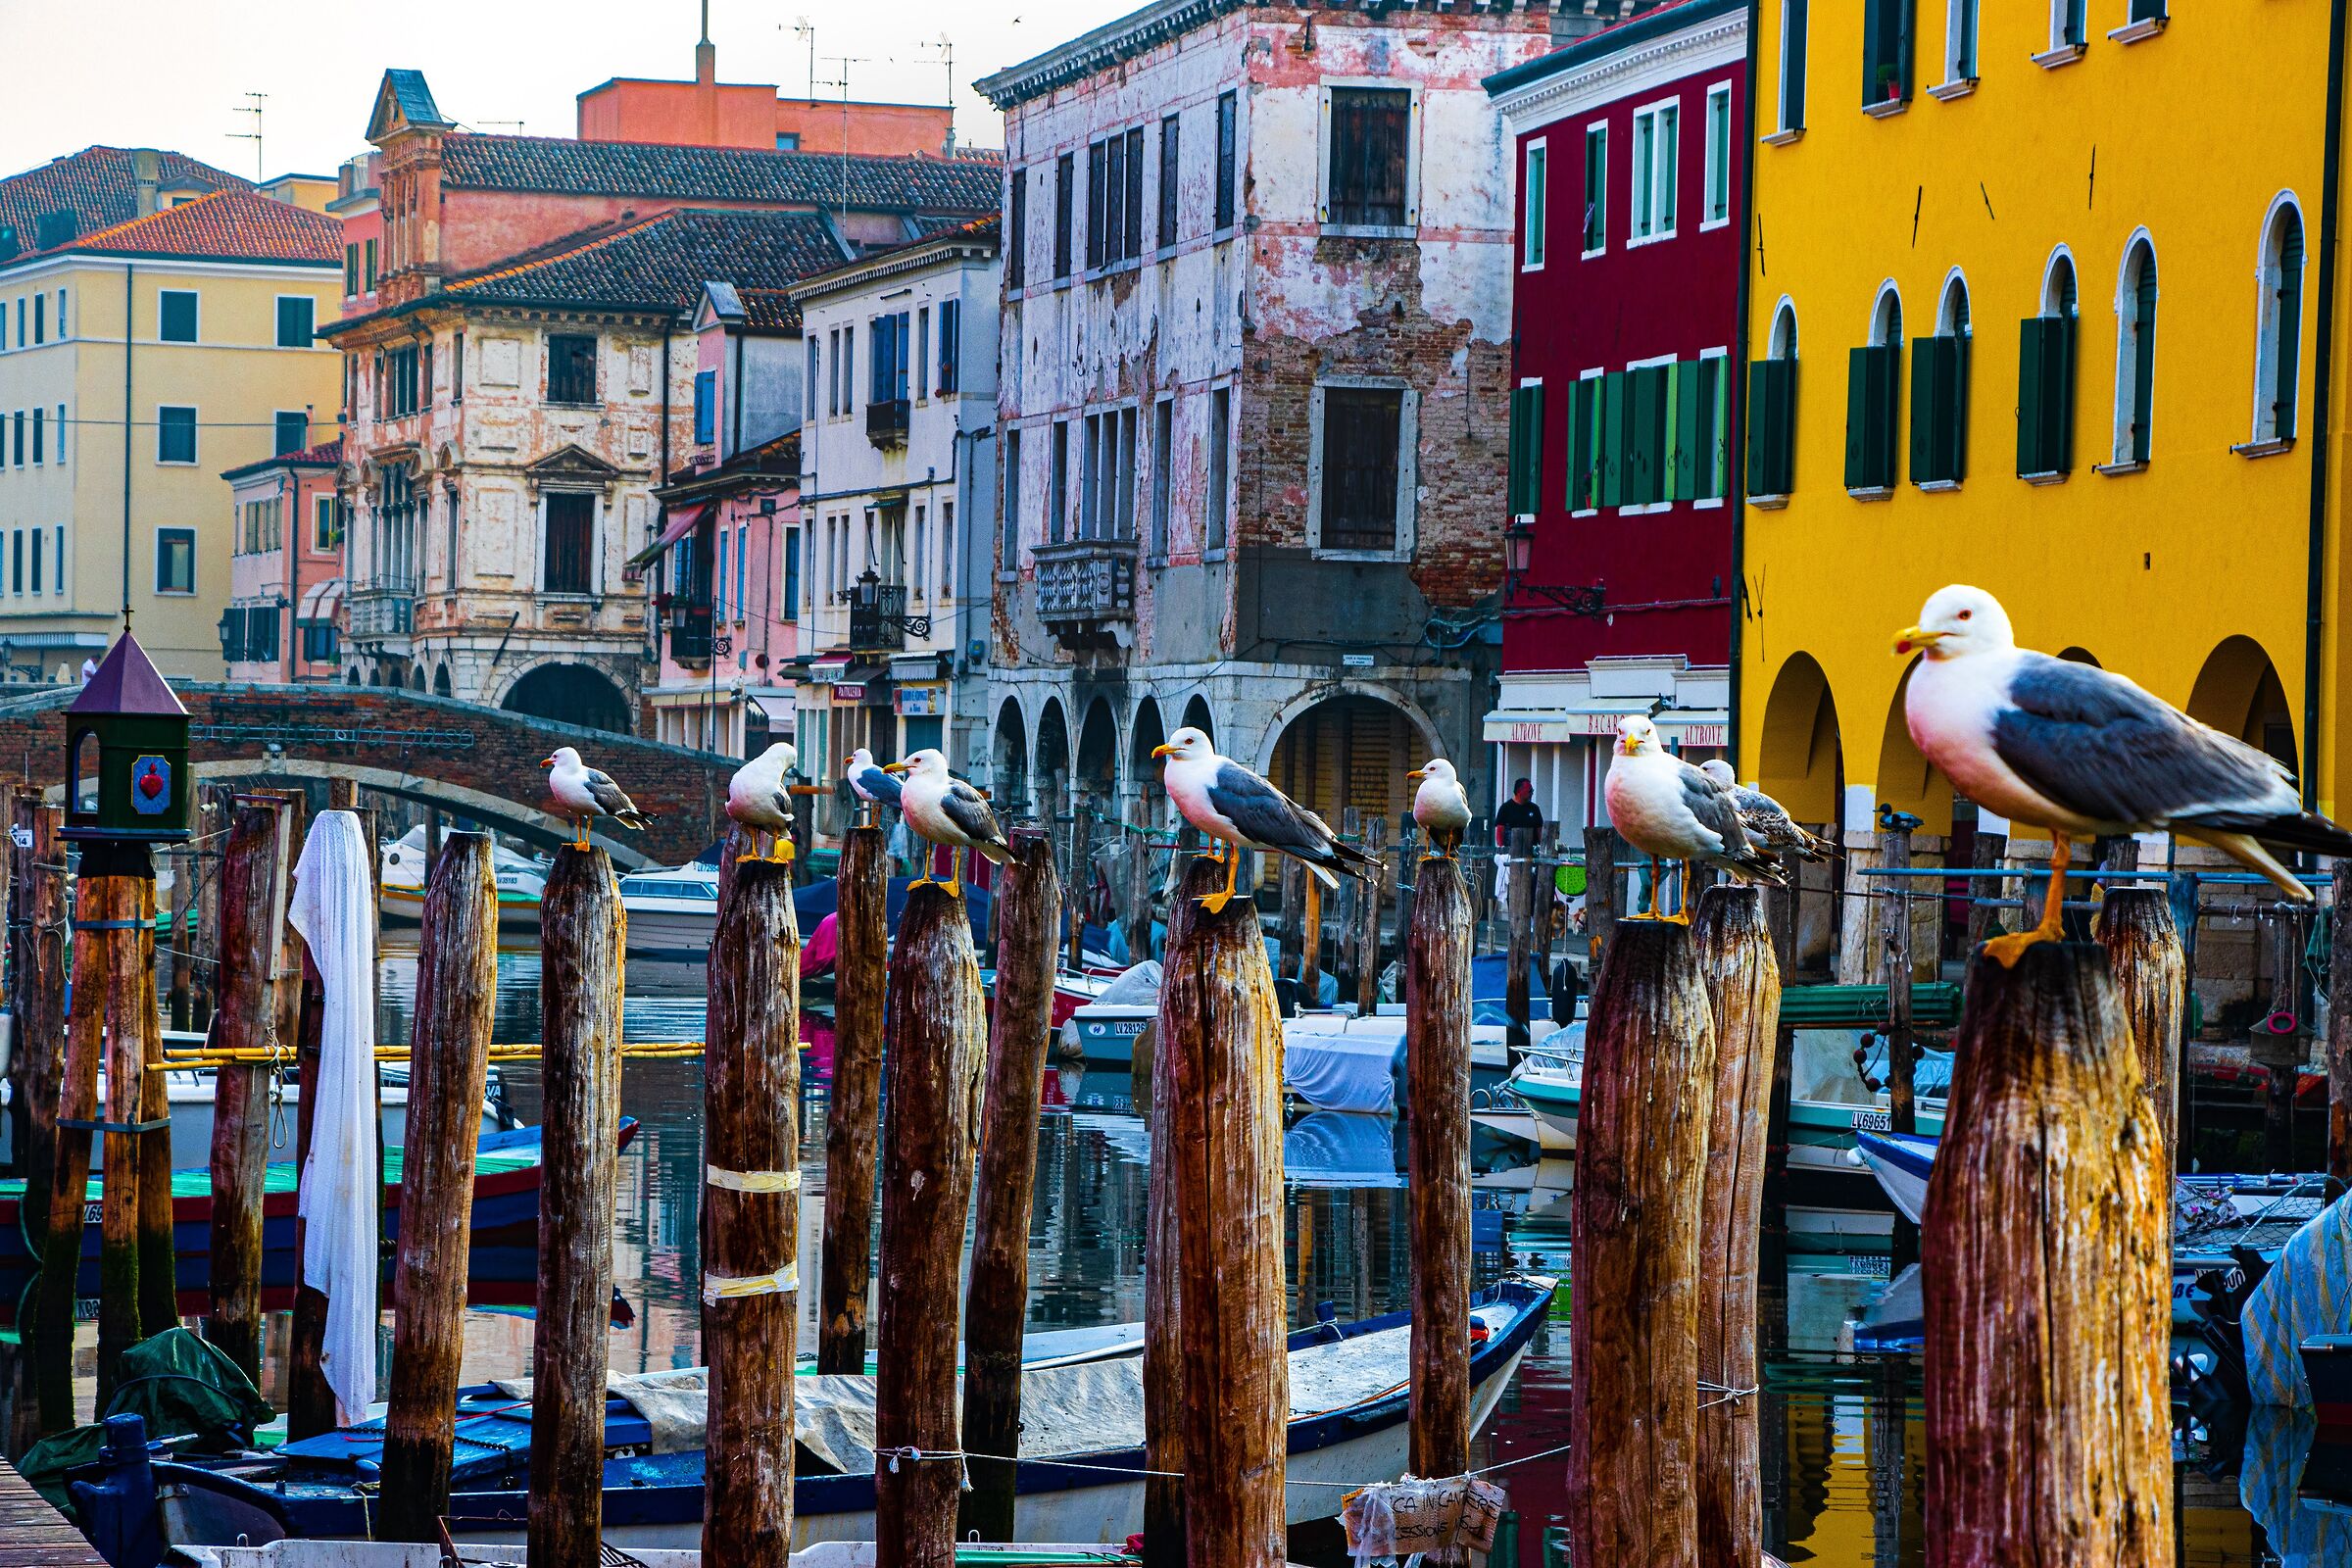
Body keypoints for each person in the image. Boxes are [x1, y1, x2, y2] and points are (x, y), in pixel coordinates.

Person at [1493, 778, 1544, 903]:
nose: (1531, 793)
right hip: (1512, 852)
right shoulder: (1506, 808)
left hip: (1531, 852)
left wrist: (1542, 848)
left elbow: (1539, 830)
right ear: (1520, 791)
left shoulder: (1534, 809)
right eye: (1529, 790)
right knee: (1514, 887)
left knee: (1531, 887)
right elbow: (1500, 830)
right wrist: (1502, 849)